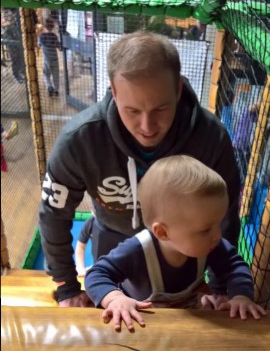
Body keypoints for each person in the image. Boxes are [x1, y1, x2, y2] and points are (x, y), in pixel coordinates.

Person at [39, 31, 241, 308]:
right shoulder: (80, 140)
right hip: (111, 242)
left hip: (186, 253)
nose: (147, 127)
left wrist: (221, 287)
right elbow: (53, 213)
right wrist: (66, 286)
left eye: (161, 109)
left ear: (178, 89)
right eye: (132, 111)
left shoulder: (211, 138)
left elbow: (226, 215)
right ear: (113, 91)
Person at [85, 156, 265, 331]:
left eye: (218, 223)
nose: (217, 235)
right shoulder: (138, 250)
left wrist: (240, 296)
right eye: (205, 229)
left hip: (188, 317)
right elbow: (96, 274)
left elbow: (234, 267)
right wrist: (115, 299)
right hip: (142, 322)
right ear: (163, 232)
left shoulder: (211, 245)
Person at [38, 17, 60, 96]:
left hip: (46, 59)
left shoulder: (41, 36)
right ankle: (56, 89)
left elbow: (39, 45)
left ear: (44, 26)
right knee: (56, 74)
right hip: (54, 58)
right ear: (53, 26)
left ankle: (49, 86)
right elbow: (58, 46)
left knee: (46, 74)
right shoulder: (54, 36)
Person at [1, 10, 25, 84]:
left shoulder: (10, 12)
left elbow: (11, 21)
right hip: (9, 37)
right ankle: (16, 75)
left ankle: (21, 71)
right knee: (15, 57)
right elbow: (4, 25)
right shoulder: (5, 13)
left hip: (15, 35)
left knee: (20, 55)